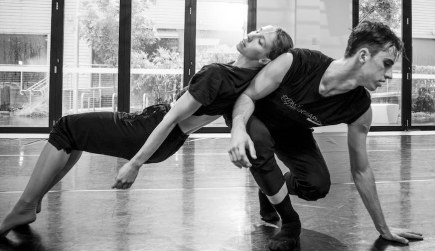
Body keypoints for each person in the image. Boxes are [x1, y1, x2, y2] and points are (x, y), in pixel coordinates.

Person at [0, 25, 294, 237]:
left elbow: (169, 121)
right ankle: (34, 200)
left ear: (266, 59)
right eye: (256, 32)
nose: (252, 36)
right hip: (165, 136)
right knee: (75, 137)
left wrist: (134, 163)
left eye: (260, 41)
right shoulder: (245, 81)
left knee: (66, 128)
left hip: (152, 128)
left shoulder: (220, 75)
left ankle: (25, 205)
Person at [228, 21, 423, 251]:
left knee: (316, 186)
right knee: (259, 143)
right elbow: (248, 96)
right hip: (257, 118)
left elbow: (361, 170)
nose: (389, 75)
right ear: (363, 55)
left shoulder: (359, 107)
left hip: (292, 130)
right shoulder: (297, 62)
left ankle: (270, 187)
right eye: (386, 64)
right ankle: (290, 222)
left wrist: (383, 228)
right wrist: (238, 129)